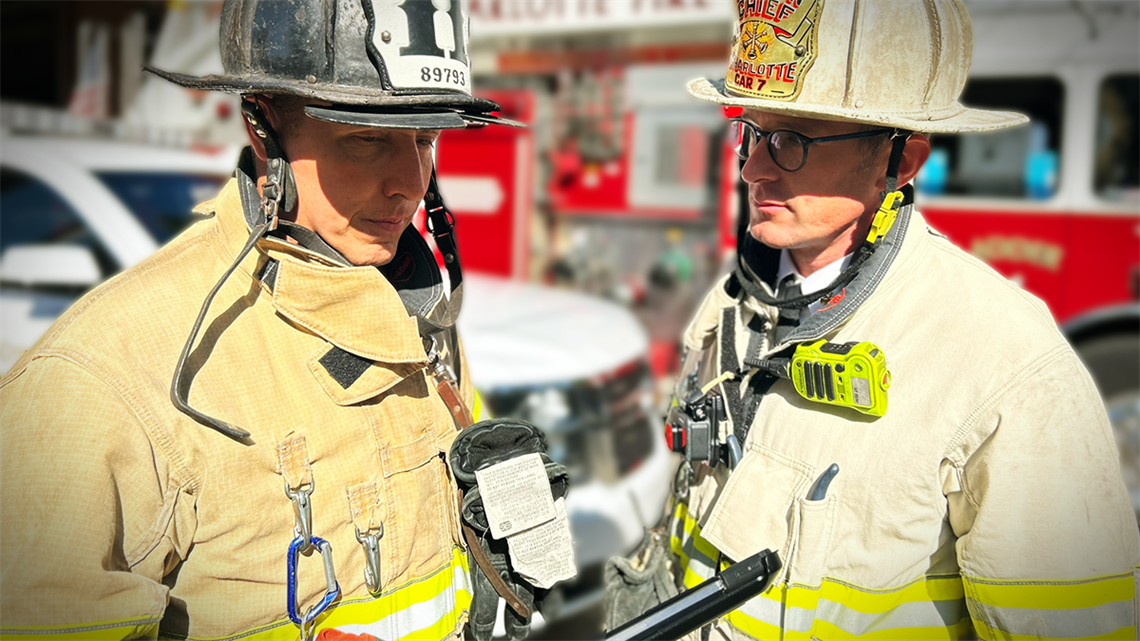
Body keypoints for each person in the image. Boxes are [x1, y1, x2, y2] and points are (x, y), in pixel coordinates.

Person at [0, 0, 537, 639]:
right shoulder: (102, 378)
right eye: (367, 139)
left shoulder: (415, 307)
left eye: (425, 139)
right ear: (262, 125)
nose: (410, 182)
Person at [653, 1, 1140, 639]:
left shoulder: (1008, 361)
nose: (753, 168)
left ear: (901, 160)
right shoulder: (733, 302)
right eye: (751, 131)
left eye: (792, 141)